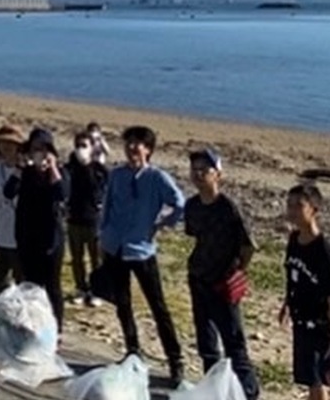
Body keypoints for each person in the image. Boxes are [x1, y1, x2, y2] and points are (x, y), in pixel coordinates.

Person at [100, 125, 185, 386]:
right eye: (129, 143)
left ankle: (175, 359)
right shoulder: (117, 175)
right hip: (115, 248)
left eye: (138, 144)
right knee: (122, 304)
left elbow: (179, 202)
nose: (132, 148)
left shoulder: (157, 178)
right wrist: (102, 235)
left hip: (141, 250)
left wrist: (161, 223)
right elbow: (107, 205)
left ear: (148, 149)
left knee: (158, 306)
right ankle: (132, 350)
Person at [184, 148, 259, 400]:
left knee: (234, 342)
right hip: (198, 278)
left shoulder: (228, 208)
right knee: (206, 343)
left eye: (204, 169)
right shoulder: (192, 205)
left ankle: (248, 393)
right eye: (194, 169)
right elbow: (195, 235)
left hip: (222, 285)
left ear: (218, 175)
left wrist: (237, 272)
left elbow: (248, 245)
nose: (198, 174)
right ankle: (213, 390)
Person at [6, 128, 69, 330]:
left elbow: (63, 194)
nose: (38, 153)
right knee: (30, 285)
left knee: (52, 286)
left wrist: (52, 169)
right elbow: (8, 192)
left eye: (43, 149)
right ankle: (33, 324)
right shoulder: (25, 173)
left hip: (51, 239)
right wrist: (19, 168)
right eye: (34, 149)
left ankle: (57, 328)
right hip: (27, 236)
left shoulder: (59, 172)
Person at [282, 184, 330, 400]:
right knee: (310, 377)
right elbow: (293, 274)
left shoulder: (323, 250)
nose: (292, 211)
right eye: (289, 205)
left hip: (319, 323)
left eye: (299, 205)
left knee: (317, 377)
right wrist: (286, 303)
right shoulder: (294, 240)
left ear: (314, 210)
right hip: (300, 319)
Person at [66, 132, 108, 307]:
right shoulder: (70, 168)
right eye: (78, 145)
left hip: (93, 221)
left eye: (84, 145)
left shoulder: (99, 170)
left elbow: (103, 190)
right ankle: (81, 288)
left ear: (92, 148)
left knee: (96, 258)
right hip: (73, 219)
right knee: (76, 258)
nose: (80, 149)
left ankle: (97, 290)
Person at [0, 124, 27, 296]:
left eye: (11, 143)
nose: (7, 147)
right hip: (0, 234)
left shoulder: (27, 170)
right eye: (3, 143)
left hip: (21, 236)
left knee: (22, 281)